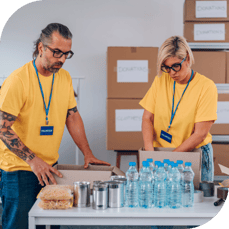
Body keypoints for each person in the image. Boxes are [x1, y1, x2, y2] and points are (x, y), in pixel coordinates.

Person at [0, 23, 110, 229]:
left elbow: (72, 117)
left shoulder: (64, 78)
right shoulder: (18, 80)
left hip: (51, 167)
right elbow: (2, 128)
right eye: (56, 52)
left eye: (67, 54)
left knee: (49, 224)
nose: (61, 59)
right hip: (20, 170)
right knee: (19, 225)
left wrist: (88, 153)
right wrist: (33, 160)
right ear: (41, 48)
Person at [139, 35, 217, 183]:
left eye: (176, 66)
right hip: (162, 155)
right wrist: (150, 155)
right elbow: (147, 118)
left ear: (187, 58)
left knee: (197, 203)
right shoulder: (161, 80)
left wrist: (169, 161)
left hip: (193, 153)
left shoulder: (206, 87)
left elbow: (200, 134)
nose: (172, 72)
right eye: (166, 67)